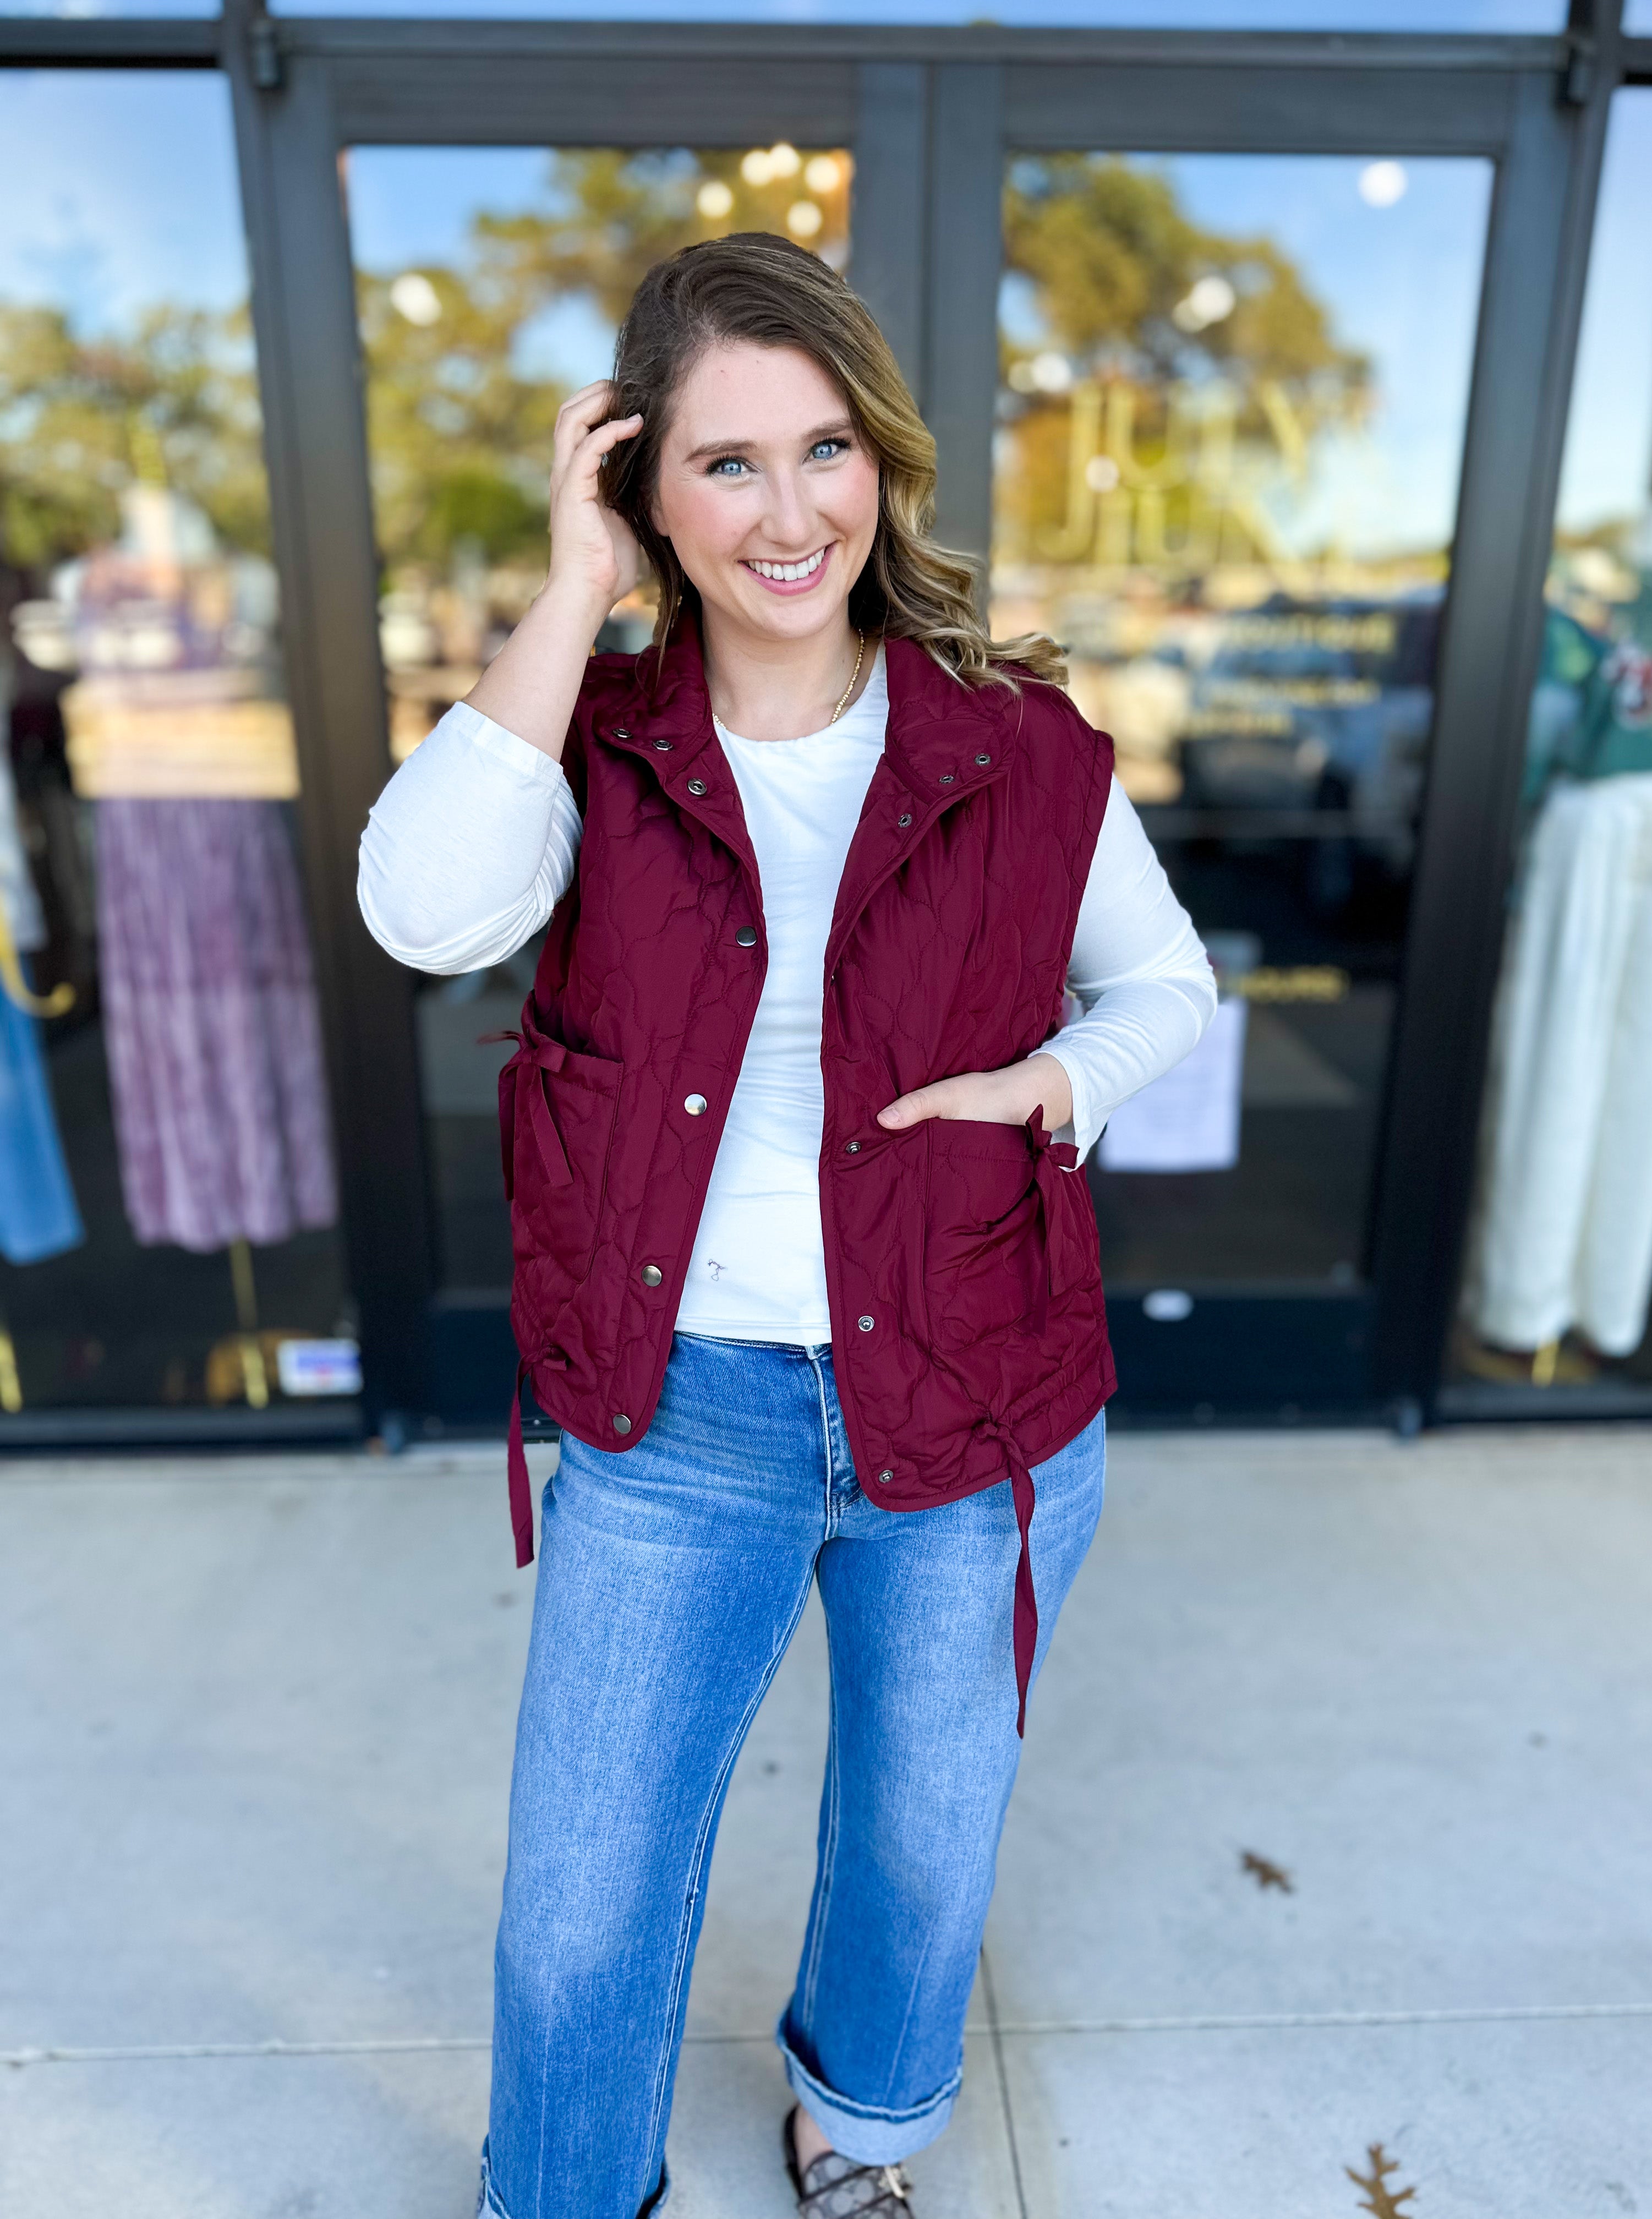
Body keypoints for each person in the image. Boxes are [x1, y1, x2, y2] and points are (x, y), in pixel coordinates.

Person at [359, 232, 1215, 2219]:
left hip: (979, 1398)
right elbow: (424, 912)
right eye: (723, 463)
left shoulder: (1020, 743)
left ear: (882, 467)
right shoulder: (589, 734)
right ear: (643, 488)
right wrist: (567, 594)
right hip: (678, 1421)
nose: (786, 511)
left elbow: (1161, 986)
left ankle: (867, 2132)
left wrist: (1051, 1088)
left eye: (823, 449)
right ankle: (566, 2194)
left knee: (924, 1847)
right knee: (580, 1904)